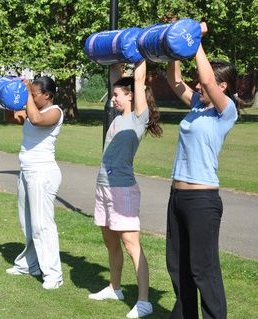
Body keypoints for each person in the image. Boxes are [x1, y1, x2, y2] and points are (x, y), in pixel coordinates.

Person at [165, 22, 237, 319]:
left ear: (223, 87)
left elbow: (206, 79)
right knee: (178, 265)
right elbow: (174, 78)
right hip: (178, 196)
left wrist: (193, 38)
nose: (197, 86)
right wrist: (173, 44)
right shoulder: (196, 106)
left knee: (202, 269)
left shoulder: (227, 110)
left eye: (205, 84)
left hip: (202, 200)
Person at [88, 61, 162, 319]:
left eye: (117, 95)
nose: (113, 100)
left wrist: (140, 52)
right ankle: (115, 288)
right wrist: (116, 59)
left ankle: (144, 301)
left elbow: (139, 79)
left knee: (131, 245)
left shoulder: (138, 118)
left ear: (131, 95)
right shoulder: (118, 119)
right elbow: (114, 76)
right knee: (111, 243)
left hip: (123, 190)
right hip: (104, 187)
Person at [5, 76, 65, 290]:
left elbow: (38, 120)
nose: (30, 96)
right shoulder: (32, 112)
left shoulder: (54, 112)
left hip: (43, 173)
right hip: (27, 172)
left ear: (47, 96)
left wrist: (26, 91)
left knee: (42, 225)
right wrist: (8, 96)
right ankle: (29, 264)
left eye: (34, 93)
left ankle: (54, 274)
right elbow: (13, 117)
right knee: (28, 223)